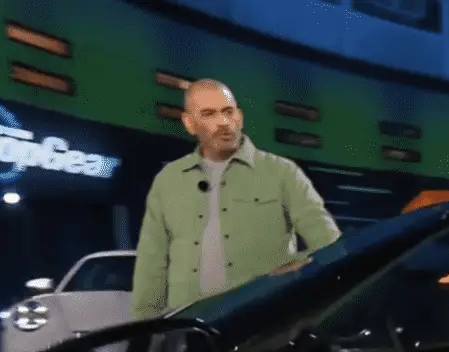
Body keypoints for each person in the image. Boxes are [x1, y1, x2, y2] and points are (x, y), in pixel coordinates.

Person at [131, 79, 341, 320]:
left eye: (228, 112)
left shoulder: (282, 172)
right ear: (189, 123)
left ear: (239, 117)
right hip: (187, 329)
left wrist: (294, 271)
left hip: (264, 325)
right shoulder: (168, 180)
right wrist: (142, 331)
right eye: (209, 114)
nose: (223, 122)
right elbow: (151, 264)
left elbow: (330, 246)